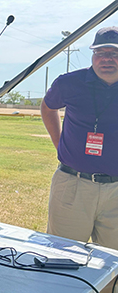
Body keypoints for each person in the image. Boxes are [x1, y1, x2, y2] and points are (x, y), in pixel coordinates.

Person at [41, 27, 118, 250]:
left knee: (113, 265)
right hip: (73, 183)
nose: (106, 59)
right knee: (62, 257)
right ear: (92, 55)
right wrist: (60, 145)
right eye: (100, 53)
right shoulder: (69, 83)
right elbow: (48, 108)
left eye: (114, 54)